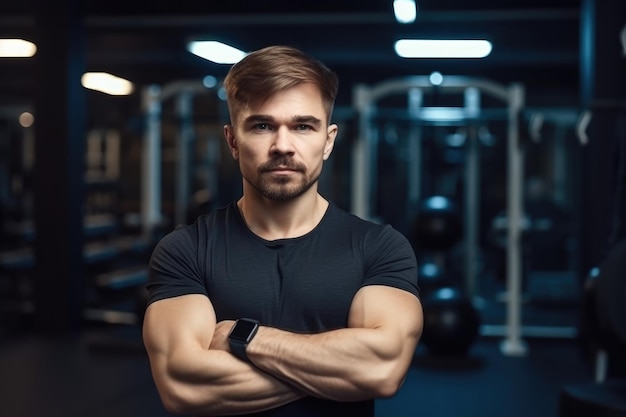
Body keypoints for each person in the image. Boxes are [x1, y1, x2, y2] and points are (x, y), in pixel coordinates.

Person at [142, 45, 423, 417]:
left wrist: (246, 337)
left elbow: (381, 370)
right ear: (232, 141)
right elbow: (184, 385)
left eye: (303, 126)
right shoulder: (185, 251)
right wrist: (335, 373)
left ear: (328, 140)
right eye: (262, 126)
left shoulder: (379, 248)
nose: (283, 146)